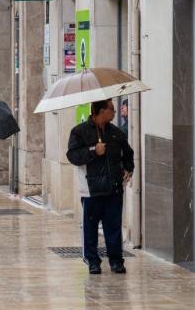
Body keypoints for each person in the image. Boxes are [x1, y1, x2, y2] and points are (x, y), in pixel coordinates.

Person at [66, 99, 134, 275]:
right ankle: (92, 261)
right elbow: (72, 156)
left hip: (114, 188)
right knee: (90, 227)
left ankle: (116, 261)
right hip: (90, 189)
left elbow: (128, 153)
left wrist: (128, 168)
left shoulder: (116, 133)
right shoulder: (79, 132)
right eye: (111, 109)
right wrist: (92, 151)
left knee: (113, 226)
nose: (115, 113)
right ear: (101, 111)